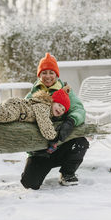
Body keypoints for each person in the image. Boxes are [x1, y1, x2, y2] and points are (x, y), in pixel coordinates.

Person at [20, 53, 89, 189]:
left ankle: (67, 173)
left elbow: (79, 110)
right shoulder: (32, 95)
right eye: (44, 72)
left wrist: (70, 121)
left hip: (61, 145)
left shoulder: (66, 91)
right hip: (41, 151)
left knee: (80, 143)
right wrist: (32, 150)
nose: (48, 76)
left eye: (51, 72)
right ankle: (34, 170)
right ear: (39, 75)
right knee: (29, 184)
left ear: (56, 75)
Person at [0, 86, 71, 152]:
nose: (60, 109)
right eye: (59, 105)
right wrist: (53, 137)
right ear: (52, 102)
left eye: (63, 109)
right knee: (7, 116)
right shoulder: (44, 107)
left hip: (18, 108)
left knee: (6, 112)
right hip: (19, 108)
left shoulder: (49, 112)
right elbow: (45, 124)